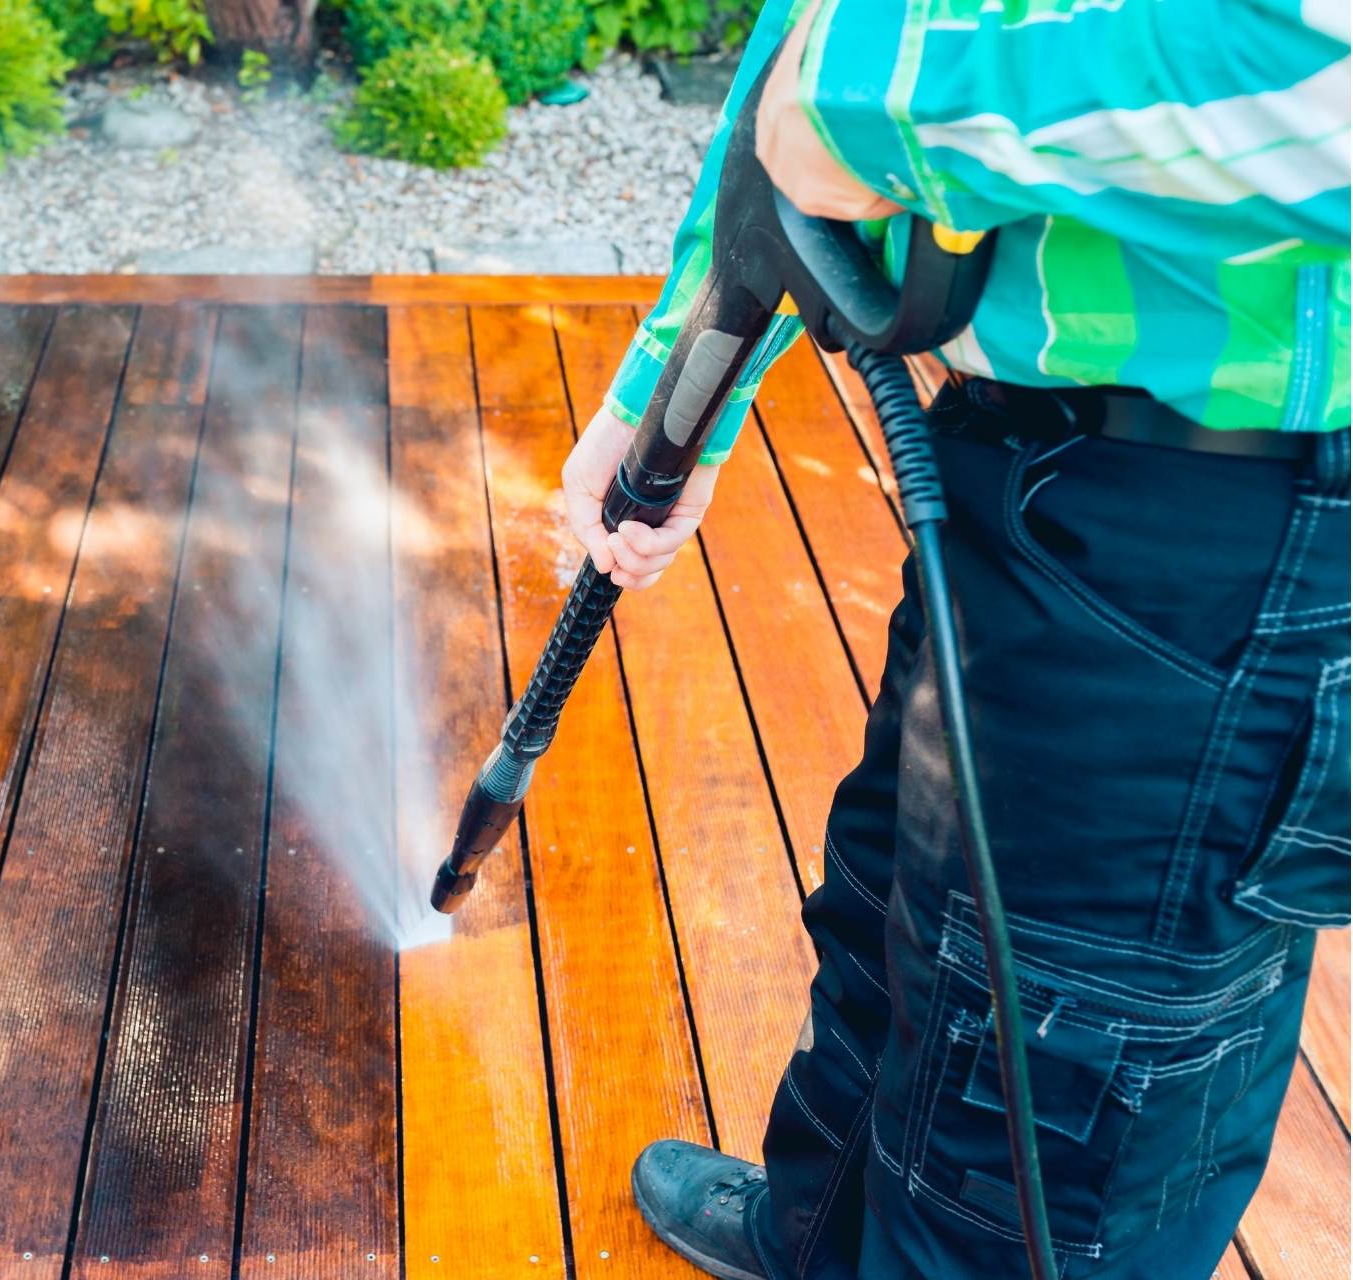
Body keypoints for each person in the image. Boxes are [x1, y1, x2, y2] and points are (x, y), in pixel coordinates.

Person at [561, 1, 1352, 1276]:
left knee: (1053, 1086)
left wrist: (872, 98)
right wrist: (673, 392)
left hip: (1238, 539)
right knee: (900, 919)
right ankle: (818, 1234)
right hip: (1033, 466)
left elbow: (1316, 68)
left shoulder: (886, 91)